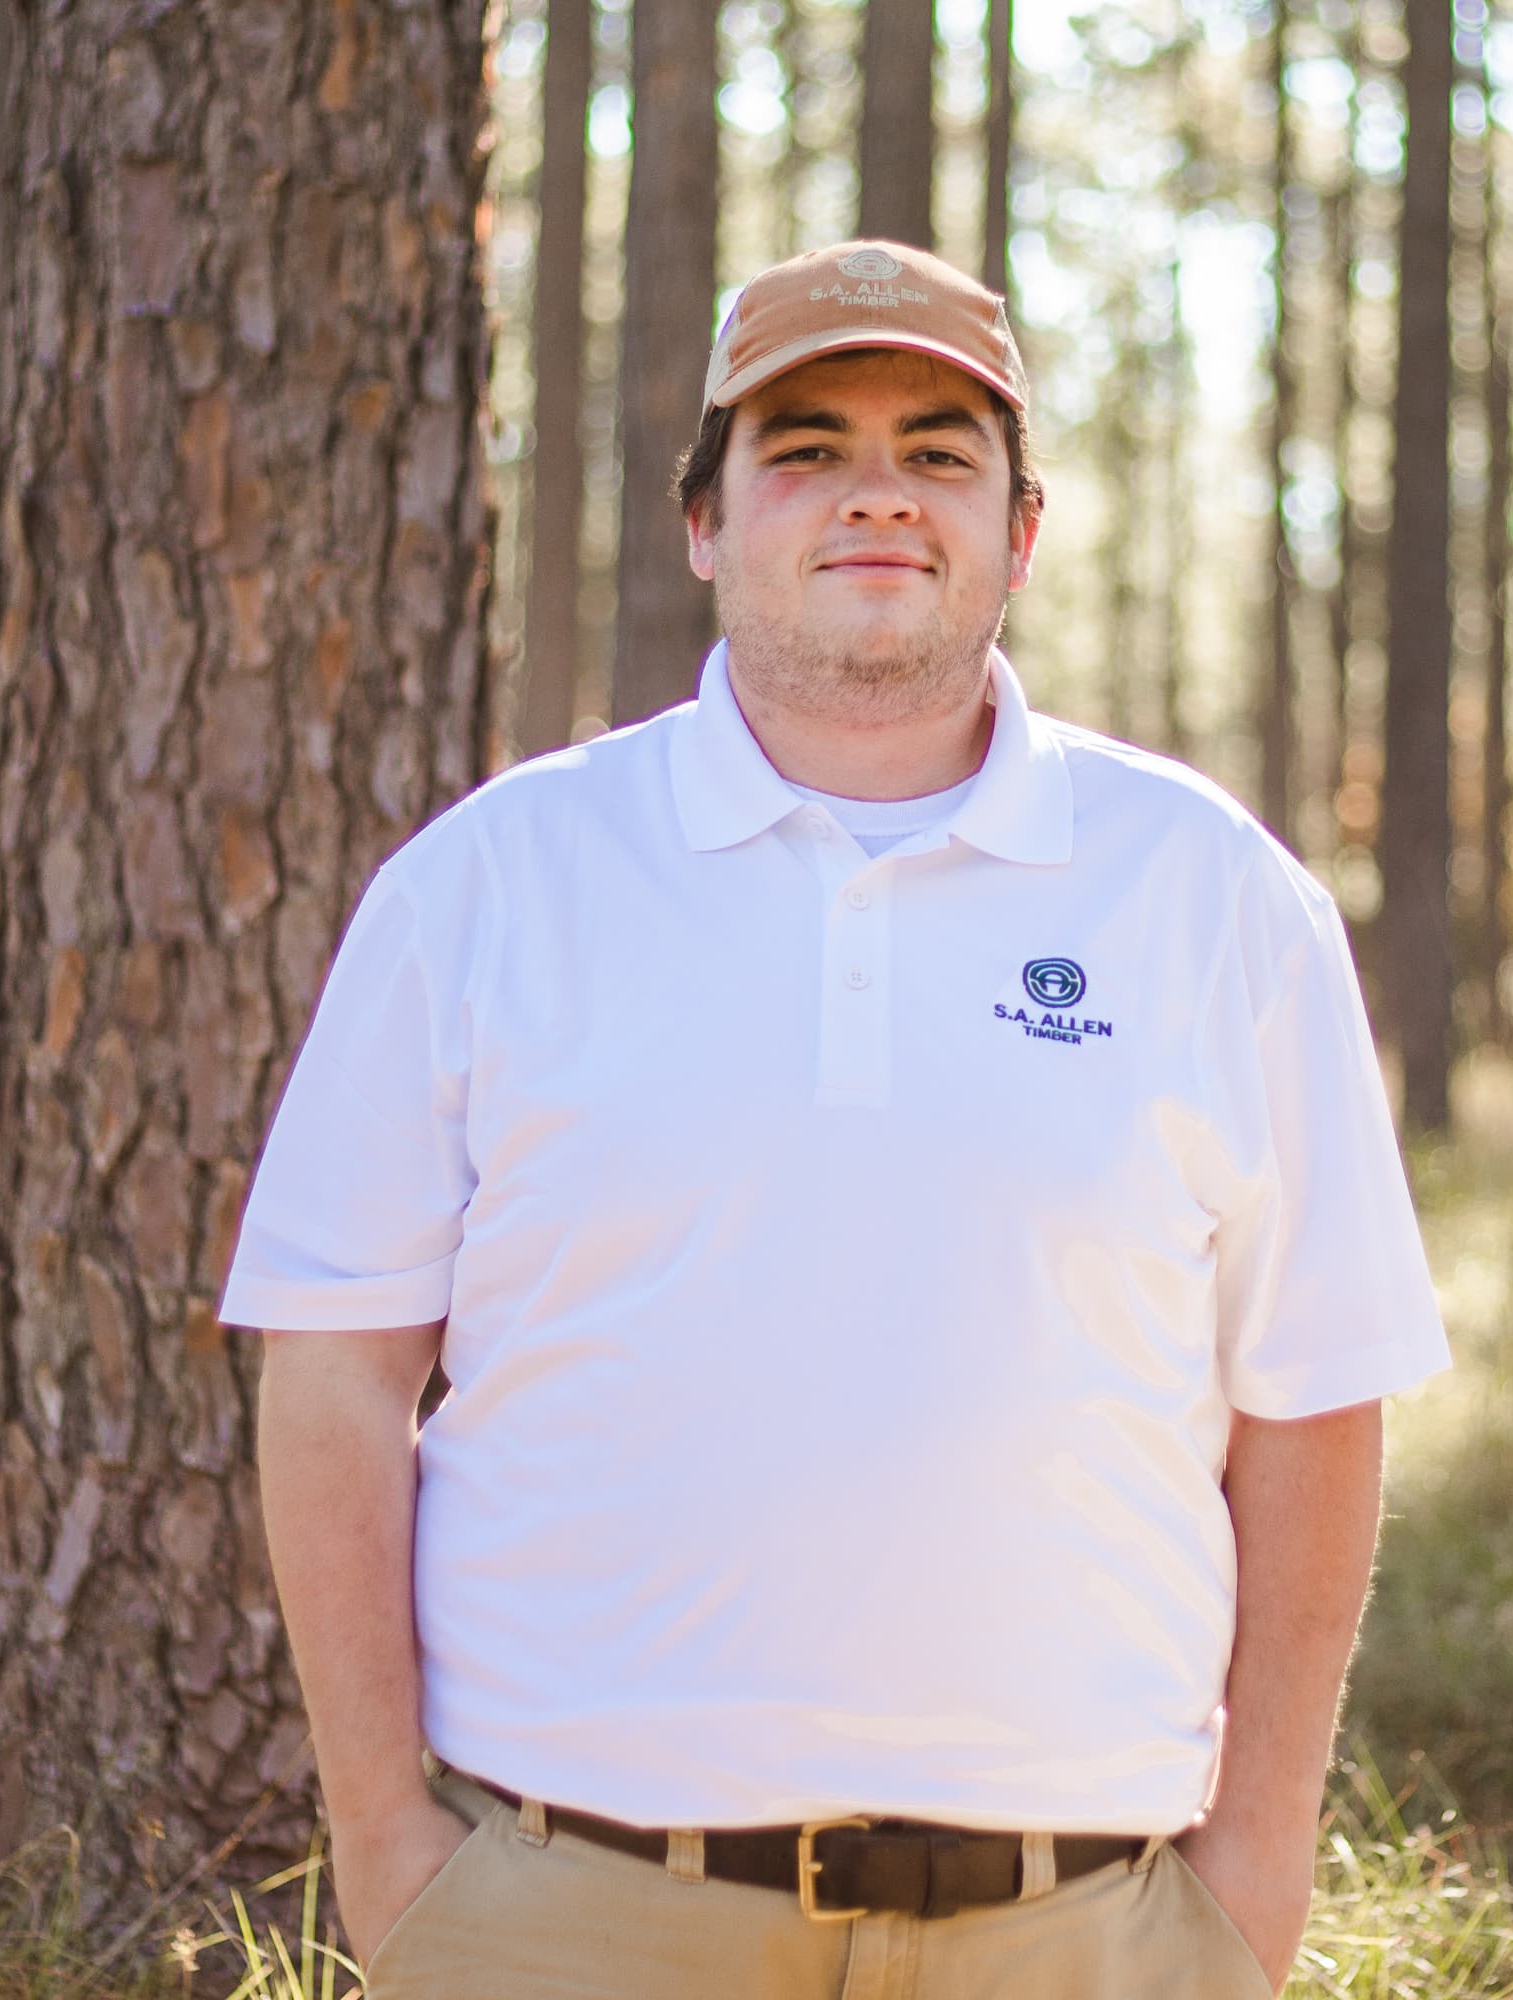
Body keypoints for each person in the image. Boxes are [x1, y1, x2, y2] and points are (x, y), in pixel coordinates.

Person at [222, 239, 1450, 2000]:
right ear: (707, 521)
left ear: (1019, 532)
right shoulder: (493, 885)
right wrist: (390, 1853)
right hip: (570, 1917)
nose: (878, 495)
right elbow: (333, 1368)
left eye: (940, 453)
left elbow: (1319, 1397)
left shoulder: (1212, 902)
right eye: (806, 448)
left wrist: (1254, 1873)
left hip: (1086, 1933)